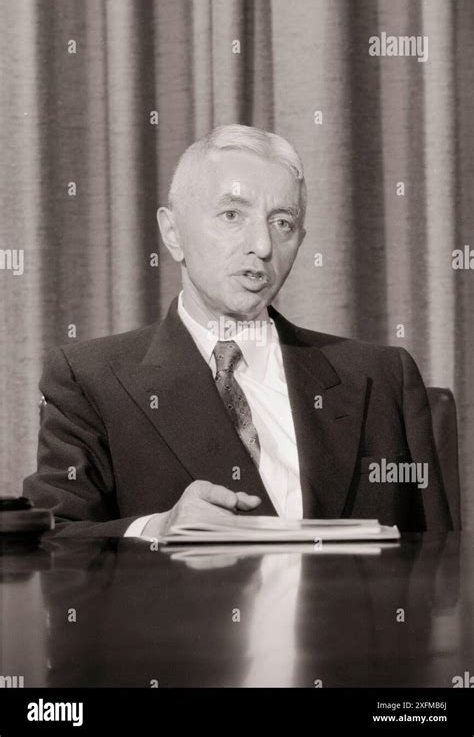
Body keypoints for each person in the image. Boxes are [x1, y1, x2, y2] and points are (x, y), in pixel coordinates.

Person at [23, 124, 453, 536]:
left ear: (300, 240)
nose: (263, 246)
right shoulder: (91, 380)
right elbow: (55, 541)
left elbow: (436, 564)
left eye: (282, 222)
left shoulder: (381, 377)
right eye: (232, 214)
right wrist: (156, 529)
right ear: (172, 234)